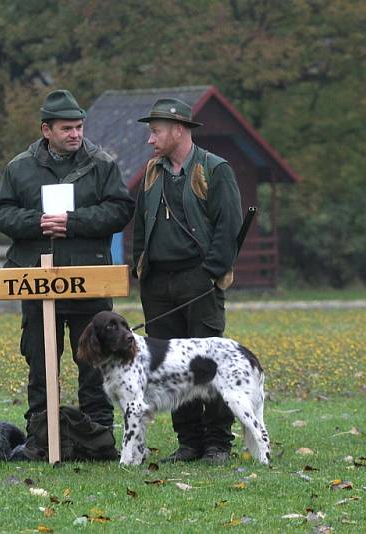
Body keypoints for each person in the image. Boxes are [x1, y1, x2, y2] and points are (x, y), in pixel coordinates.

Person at [0, 89, 134, 433]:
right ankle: (41, 433)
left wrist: (73, 222)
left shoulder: (102, 164)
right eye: (67, 128)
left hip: (89, 280)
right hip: (37, 281)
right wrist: (36, 222)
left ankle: (99, 434)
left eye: (79, 127)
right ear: (46, 130)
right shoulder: (20, 167)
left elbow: (120, 209)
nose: (75, 134)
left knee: (95, 363)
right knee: (40, 364)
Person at [133, 97, 243, 464]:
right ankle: (189, 443)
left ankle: (217, 443)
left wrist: (211, 274)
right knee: (170, 368)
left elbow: (229, 227)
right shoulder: (152, 171)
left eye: (155, 131)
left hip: (199, 280)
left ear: (178, 130)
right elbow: (140, 225)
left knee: (208, 364)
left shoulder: (216, 169)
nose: (150, 139)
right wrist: (141, 270)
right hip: (158, 284)